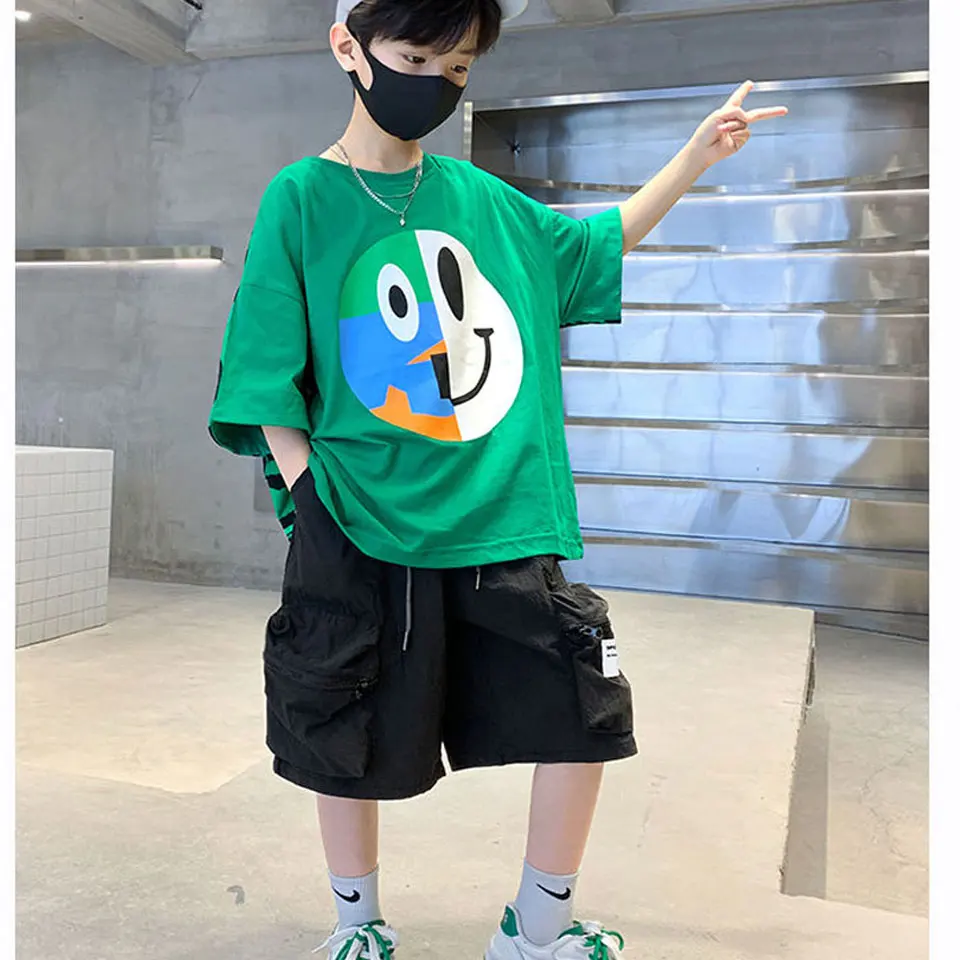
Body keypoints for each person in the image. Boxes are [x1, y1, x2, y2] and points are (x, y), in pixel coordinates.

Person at [208, 1, 787, 957]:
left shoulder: (481, 198)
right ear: (348, 48)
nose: (434, 83)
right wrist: (309, 494)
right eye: (412, 58)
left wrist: (693, 158)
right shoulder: (301, 198)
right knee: (338, 721)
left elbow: (590, 247)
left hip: (498, 514)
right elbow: (265, 361)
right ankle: (358, 927)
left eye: (458, 68)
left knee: (583, 713)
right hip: (357, 511)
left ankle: (537, 929)